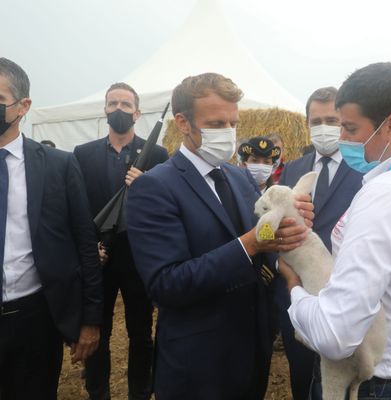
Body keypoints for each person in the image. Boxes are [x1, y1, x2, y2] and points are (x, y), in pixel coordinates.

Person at [279, 62, 391, 399]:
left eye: (349, 128)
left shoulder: (386, 196)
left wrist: (294, 288)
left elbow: (336, 335)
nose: (341, 139)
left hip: (370, 379)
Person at [125, 72, 314, 400]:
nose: (227, 133)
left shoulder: (238, 177)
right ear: (183, 123)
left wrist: (288, 224)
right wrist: (251, 243)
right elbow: (167, 283)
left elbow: (263, 250)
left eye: (232, 123)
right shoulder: (154, 187)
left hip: (252, 348)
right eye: (215, 125)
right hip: (198, 362)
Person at [0, 57, 103, 399]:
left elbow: (84, 242)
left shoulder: (58, 166)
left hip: (36, 319)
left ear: (23, 106)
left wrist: (89, 320)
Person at [73, 82, 169, 400]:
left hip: (138, 257)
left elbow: (166, 207)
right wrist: (89, 251)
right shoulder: (82, 155)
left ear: (138, 113)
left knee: (141, 333)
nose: (118, 109)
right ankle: (97, 392)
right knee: (96, 331)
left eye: (126, 105)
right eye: (112, 103)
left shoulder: (157, 154)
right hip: (98, 257)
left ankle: (140, 392)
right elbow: (80, 208)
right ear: (104, 109)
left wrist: (148, 187)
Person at [276, 86, 364, 399]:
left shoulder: (364, 167)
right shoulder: (293, 169)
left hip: (344, 294)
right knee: (302, 376)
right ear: (307, 124)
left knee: (341, 381)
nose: (324, 127)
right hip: (296, 289)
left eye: (332, 119)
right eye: (317, 121)